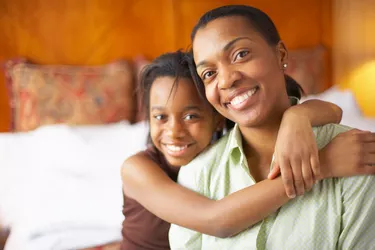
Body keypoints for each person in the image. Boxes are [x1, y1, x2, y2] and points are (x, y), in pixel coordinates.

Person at [169, 5, 375, 250]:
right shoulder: (198, 174)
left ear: (281, 55)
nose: (226, 80)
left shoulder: (357, 157)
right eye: (209, 73)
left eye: (241, 54)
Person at [121, 51, 373, 250]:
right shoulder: (136, 169)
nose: (174, 131)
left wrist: (299, 115)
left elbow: (334, 111)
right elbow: (216, 220)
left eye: (191, 116)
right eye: (160, 117)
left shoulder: (229, 154)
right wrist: (323, 163)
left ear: (218, 117)